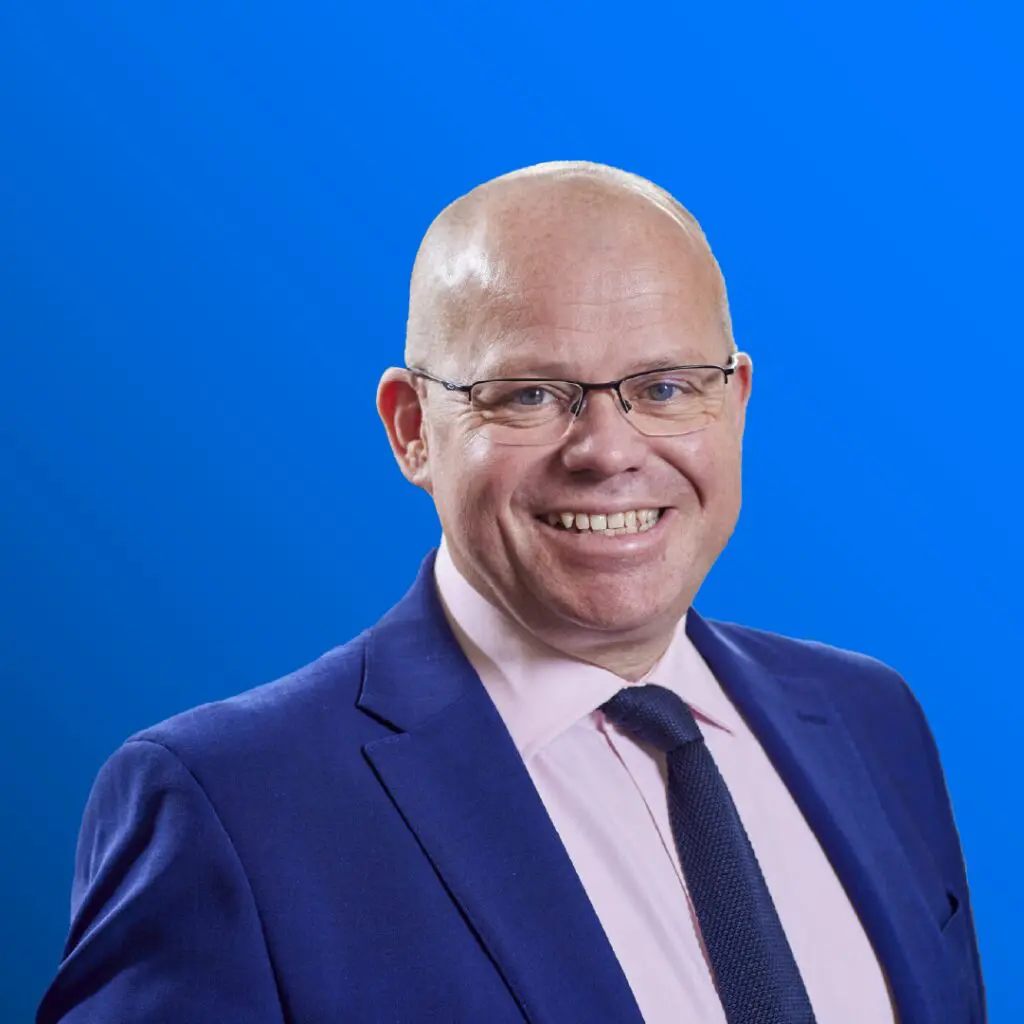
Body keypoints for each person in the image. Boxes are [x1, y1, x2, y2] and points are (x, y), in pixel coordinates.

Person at [38, 161, 984, 1024]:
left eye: (663, 387)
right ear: (412, 429)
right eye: (529, 394)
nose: (609, 452)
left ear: (734, 401)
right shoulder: (233, 808)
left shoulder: (871, 723)